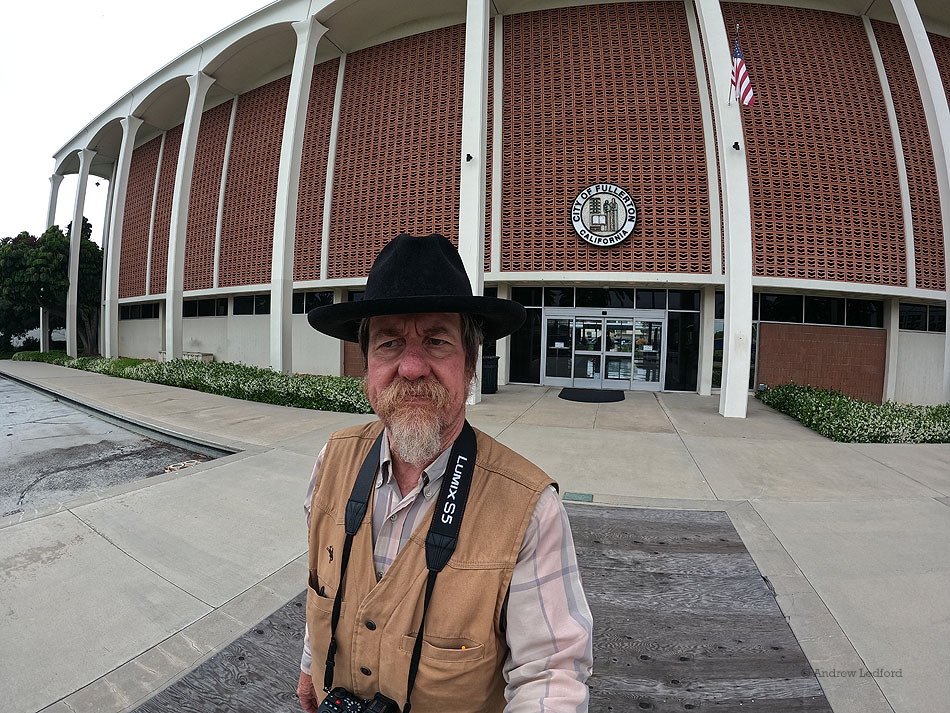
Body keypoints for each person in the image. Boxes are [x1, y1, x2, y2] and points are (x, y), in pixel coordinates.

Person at [296, 234, 593, 713]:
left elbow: (551, 674)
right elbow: (322, 583)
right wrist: (312, 665)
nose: (412, 367)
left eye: (436, 341)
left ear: (470, 363)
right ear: (367, 365)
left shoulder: (530, 510)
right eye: (389, 343)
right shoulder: (332, 459)